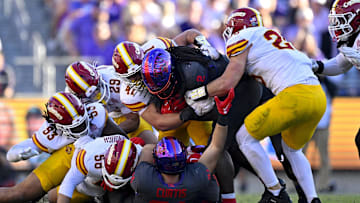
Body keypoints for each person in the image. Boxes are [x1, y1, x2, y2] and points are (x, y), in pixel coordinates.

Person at [185, 7, 324, 203]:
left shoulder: (242, 38)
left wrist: (198, 93)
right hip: (307, 93)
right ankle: (309, 198)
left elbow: (227, 82)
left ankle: (275, 192)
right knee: (289, 151)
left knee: (239, 140)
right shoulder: (271, 36)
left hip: (281, 94)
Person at [1, 92, 126, 202]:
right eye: (76, 127)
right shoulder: (50, 135)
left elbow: (122, 138)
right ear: (59, 127)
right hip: (67, 157)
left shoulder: (95, 112)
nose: (83, 128)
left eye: (83, 121)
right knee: (21, 193)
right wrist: (16, 154)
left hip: (96, 160)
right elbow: (22, 148)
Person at [130, 87, 234, 202]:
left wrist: (137, 149)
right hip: (197, 193)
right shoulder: (196, 179)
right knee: (198, 157)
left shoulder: (143, 179)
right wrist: (223, 116)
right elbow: (216, 147)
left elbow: (148, 149)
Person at [309, 0, 360, 157]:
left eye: (342, 19)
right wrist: (315, 66)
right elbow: (339, 65)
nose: (337, 24)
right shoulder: (353, 39)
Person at [65, 61, 157, 144]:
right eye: (91, 95)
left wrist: (110, 135)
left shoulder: (117, 82)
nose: (97, 94)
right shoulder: (72, 101)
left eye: (97, 88)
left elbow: (133, 120)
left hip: (122, 115)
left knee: (151, 141)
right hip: (95, 123)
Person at [57, 134, 140, 203]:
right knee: (53, 196)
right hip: (92, 183)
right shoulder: (88, 159)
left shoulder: (140, 154)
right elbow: (68, 184)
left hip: (126, 183)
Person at [303, 76, 337, 193]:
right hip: (306, 124)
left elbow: (334, 89)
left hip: (322, 125)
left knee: (324, 156)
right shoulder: (306, 83)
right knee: (298, 155)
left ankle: (324, 184)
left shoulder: (327, 85)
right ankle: (297, 184)